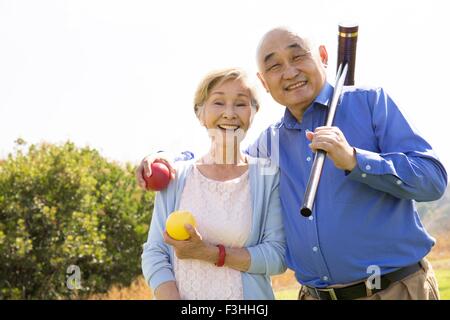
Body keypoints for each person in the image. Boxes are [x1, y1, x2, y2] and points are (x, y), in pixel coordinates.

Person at [138, 28, 447, 300]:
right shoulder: (270, 143)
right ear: (264, 82)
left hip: (394, 290)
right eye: (274, 66)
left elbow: (432, 180)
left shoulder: (370, 103)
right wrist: (172, 160)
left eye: (298, 57)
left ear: (323, 56)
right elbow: (225, 160)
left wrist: (355, 159)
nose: (288, 72)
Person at [141, 68, 286, 300]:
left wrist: (210, 253)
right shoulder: (176, 177)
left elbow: (276, 257)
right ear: (200, 114)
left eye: (240, 104)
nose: (229, 113)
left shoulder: (268, 177)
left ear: (253, 113)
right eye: (218, 103)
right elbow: (154, 253)